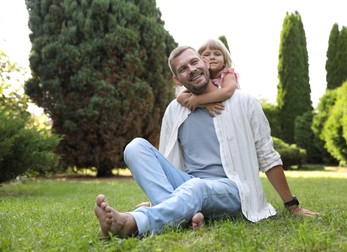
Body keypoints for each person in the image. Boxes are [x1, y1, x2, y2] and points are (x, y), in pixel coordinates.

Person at [94, 45, 318, 239]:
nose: (191, 69)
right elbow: (166, 161)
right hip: (189, 184)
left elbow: (267, 156)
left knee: (195, 187)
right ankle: (182, 213)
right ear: (177, 79)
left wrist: (292, 204)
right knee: (135, 147)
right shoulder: (175, 110)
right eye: (183, 69)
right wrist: (164, 199)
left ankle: (132, 223)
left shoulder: (244, 102)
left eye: (194, 62)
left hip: (234, 189)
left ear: (205, 63)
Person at [176, 39, 239, 116]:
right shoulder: (201, 79)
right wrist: (204, 104)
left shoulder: (228, 74)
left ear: (225, 61)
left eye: (217, 54)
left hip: (232, 112)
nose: (212, 57)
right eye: (206, 54)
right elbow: (180, 97)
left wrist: (199, 100)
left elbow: (227, 92)